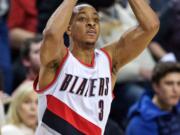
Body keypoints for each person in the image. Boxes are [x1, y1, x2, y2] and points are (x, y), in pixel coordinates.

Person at [34, 0, 159, 134]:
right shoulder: (58, 60)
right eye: (82, 18)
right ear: (68, 28)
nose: (91, 23)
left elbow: (151, 26)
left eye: (96, 19)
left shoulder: (108, 60)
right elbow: (51, 33)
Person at [126, 62, 180, 135]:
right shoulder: (140, 124)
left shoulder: (176, 108)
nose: (175, 90)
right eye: (169, 83)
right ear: (156, 86)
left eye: (179, 84)